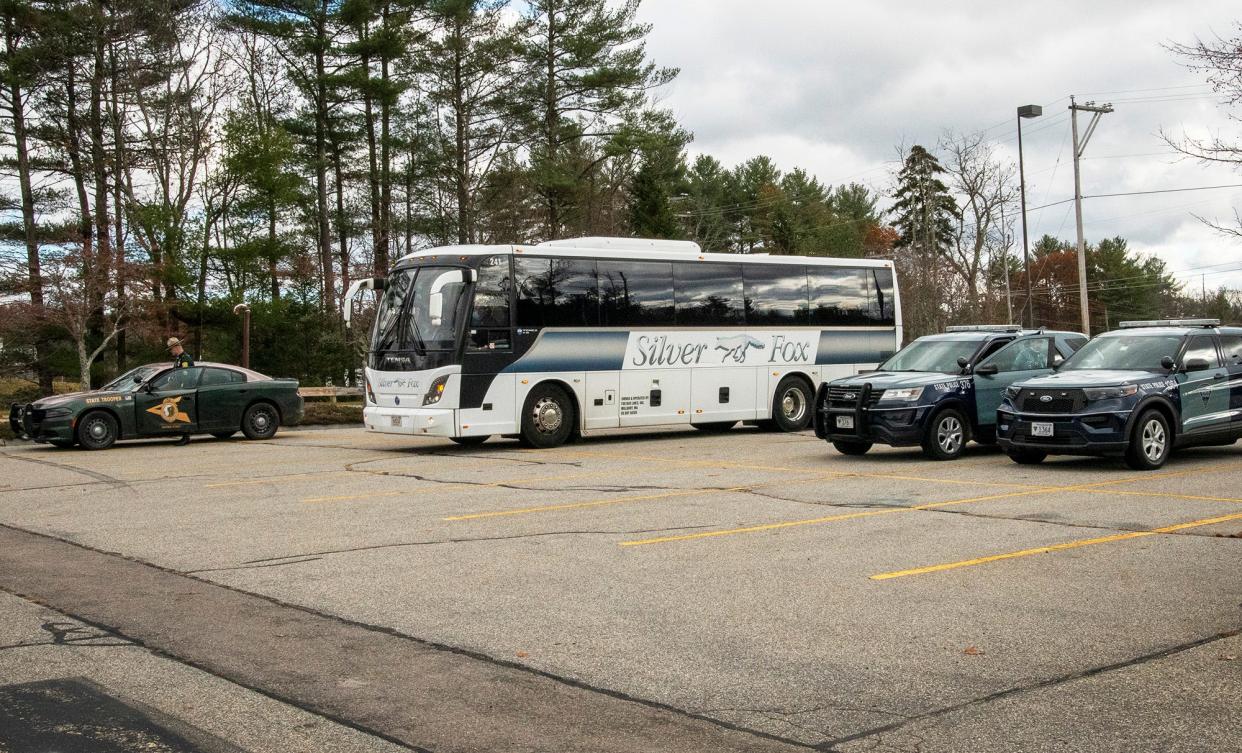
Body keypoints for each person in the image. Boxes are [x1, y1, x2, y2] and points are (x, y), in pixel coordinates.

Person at [167, 337, 194, 446]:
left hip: (185, 390)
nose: (171, 351)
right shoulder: (179, 359)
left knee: (184, 413)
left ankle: (186, 436)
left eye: (171, 349)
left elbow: (186, 377)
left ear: (176, 347)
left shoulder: (185, 359)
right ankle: (183, 434)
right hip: (179, 390)